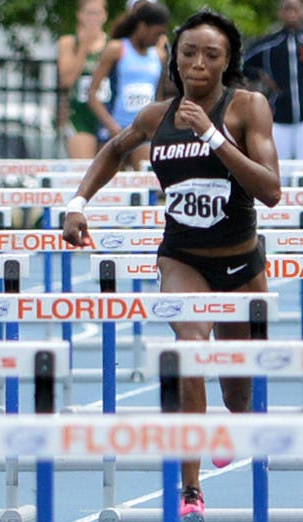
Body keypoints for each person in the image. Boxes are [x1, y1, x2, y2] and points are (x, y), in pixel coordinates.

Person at [63, 8, 281, 520]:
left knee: (238, 391)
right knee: (189, 353)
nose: (198, 64)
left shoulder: (247, 107)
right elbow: (114, 151)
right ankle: (190, 489)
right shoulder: (154, 117)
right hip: (182, 258)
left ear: (227, 63)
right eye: (189, 53)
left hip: (241, 261)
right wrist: (77, 204)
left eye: (211, 55)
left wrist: (209, 135)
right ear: (175, 58)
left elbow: (270, 191)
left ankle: (229, 425)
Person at [88, 1, 170, 169]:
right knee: (108, 184)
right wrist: (112, 127)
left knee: (146, 179)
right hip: (116, 127)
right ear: (143, 26)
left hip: (144, 129)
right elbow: (93, 94)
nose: (158, 39)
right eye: (156, 33)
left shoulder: (158, 56)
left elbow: (158, 97)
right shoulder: (117, 49)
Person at [243, 0, 303, 160]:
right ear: (280, 13)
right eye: (286, 8)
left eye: (295, 8)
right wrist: (260, 77)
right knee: (281, 167)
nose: (291, 13)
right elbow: (242, 64)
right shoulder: (268, 45)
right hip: (279, 118)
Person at [58, 0, 111, 159]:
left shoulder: (112, 44)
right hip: (80, 114)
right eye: (89, 13)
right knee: (83, 170)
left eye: (97, 13)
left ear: (105, 16)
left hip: (106, 114)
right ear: (80, 15)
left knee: (108, 171)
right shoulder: (69, 43)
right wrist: (84, 47)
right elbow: (67, 80)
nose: (93, 18)